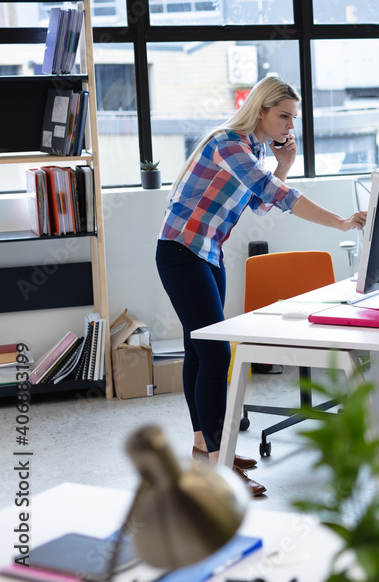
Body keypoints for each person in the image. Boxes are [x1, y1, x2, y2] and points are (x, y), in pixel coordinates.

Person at [155, 75, 365, 495]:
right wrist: (340, 221)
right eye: (283, 116)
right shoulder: (228, 143)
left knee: (201, 350)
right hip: (181, 252)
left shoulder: (251, 149)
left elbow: (256, 199)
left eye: (294, 118)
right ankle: (219, 465)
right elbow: (274, 194)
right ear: (261, 111)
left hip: (206, 252)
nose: (290, 126)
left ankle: (204, 448)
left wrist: (283, 165)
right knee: (216, 355)